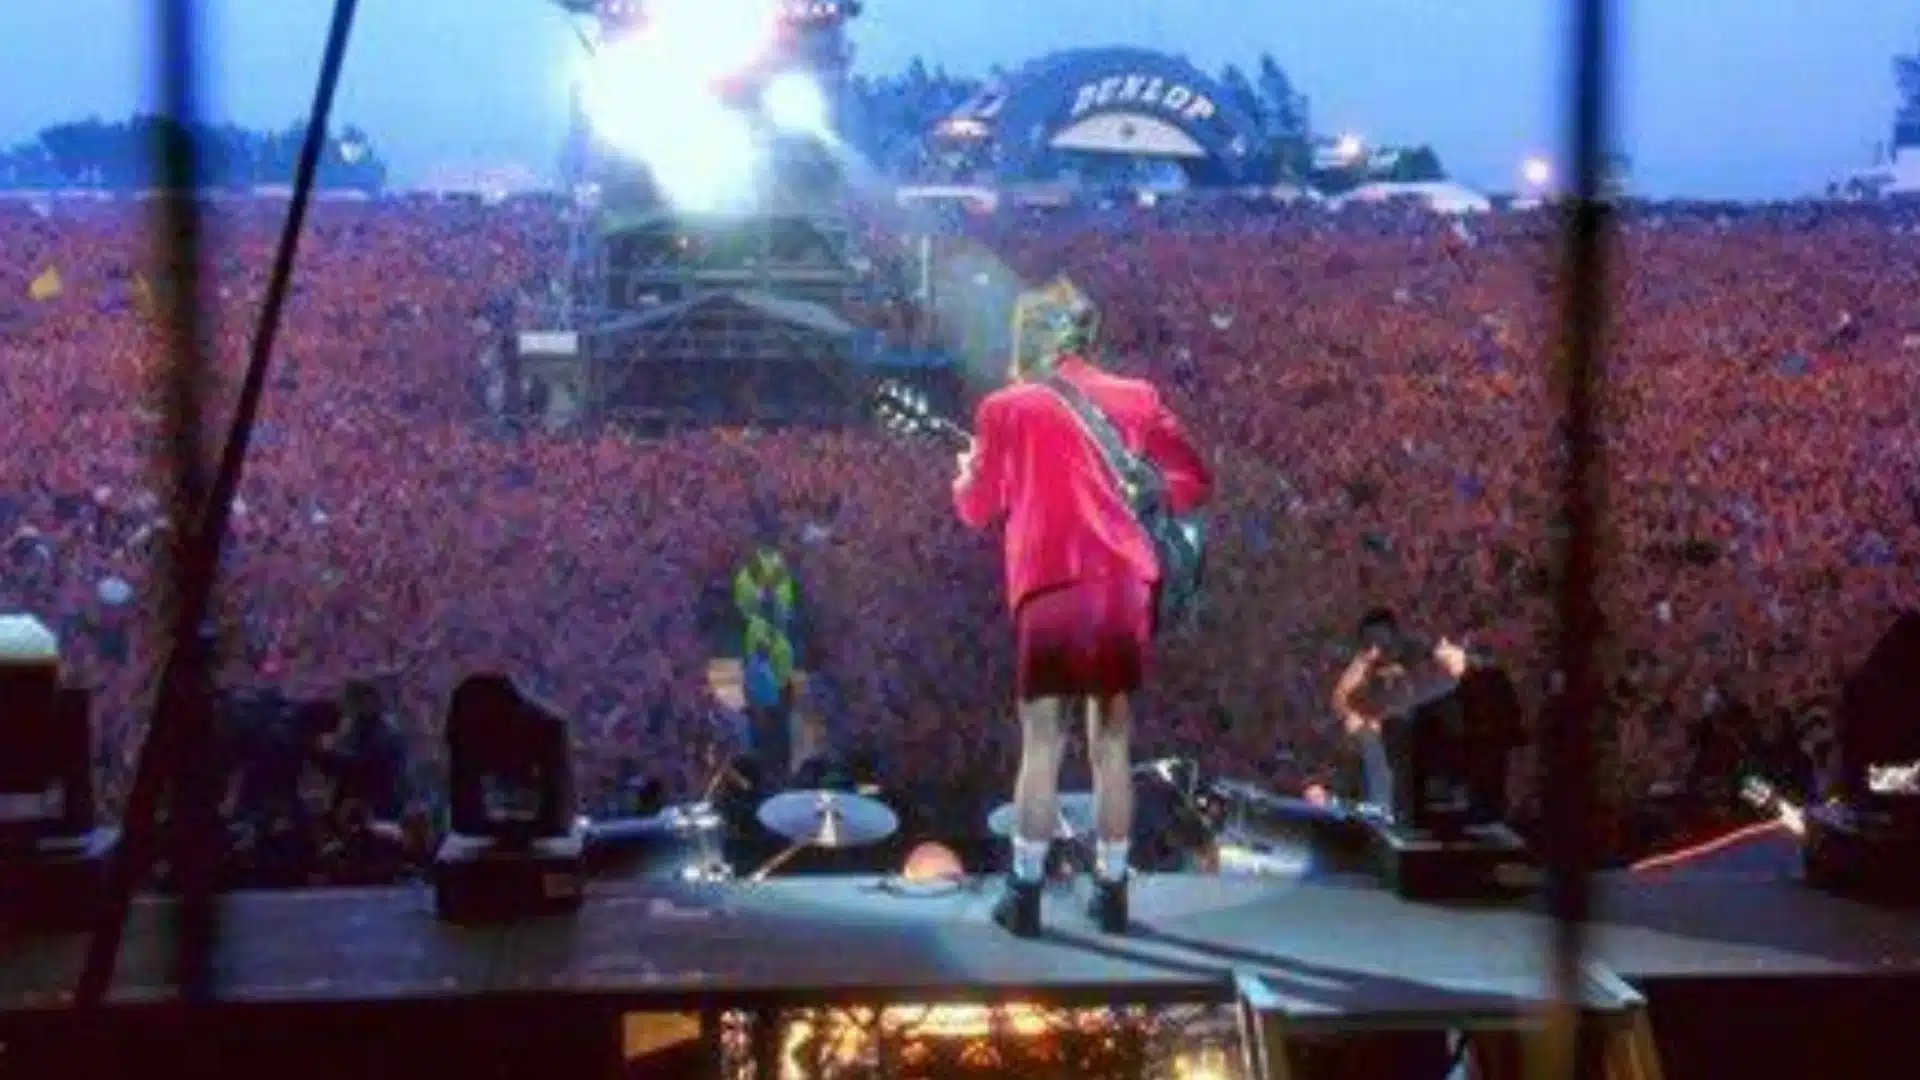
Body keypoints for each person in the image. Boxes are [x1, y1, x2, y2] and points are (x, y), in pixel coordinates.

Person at [953, 283, 1212, 937]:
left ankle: (1025, 895)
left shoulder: (1006, 406)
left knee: (1042, 740)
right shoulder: (1137, 397)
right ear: (1088, 336)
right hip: (1121, 585)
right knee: (1112, 741)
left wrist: (965, 477)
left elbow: (977, 508)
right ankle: (1112, 892)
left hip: (1049, 582)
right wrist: (1141, 498)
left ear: (1029, 336)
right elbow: (1193, 482)